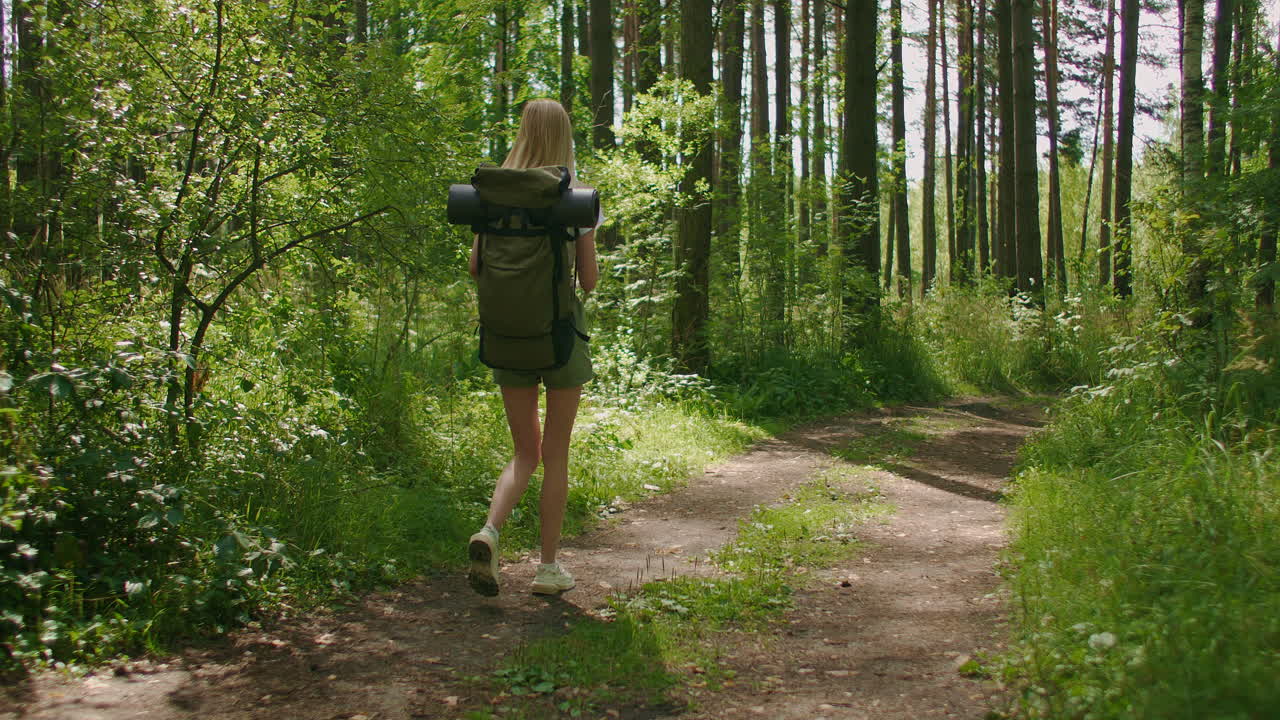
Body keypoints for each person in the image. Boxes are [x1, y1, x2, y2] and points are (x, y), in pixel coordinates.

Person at [467, 99, 600, 597]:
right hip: (562, 337)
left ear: (522, 132)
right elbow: (587, 281)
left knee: (525, 450)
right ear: (563, 135)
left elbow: (475, 268)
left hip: (506, 335)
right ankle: (548, 568)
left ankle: (490, 531)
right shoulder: (577, 198)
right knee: (556, 454)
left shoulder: (491, 195)